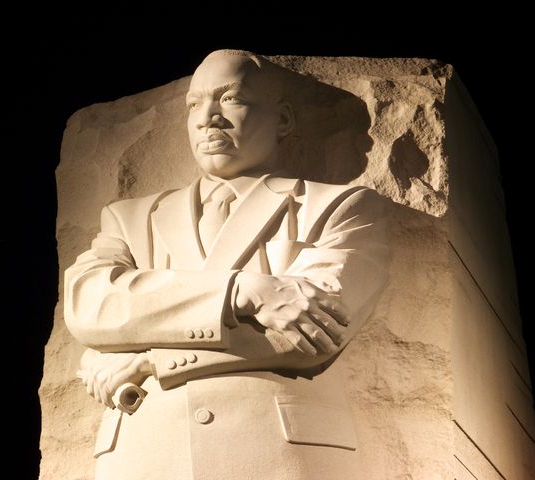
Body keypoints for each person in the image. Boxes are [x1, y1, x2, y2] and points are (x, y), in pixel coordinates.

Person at [64, 49, 390, 480]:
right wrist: (242, 291)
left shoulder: (340, 207)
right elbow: (91, 306)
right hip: (148, 453)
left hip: (277, 451)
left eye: (230, 98)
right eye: (194, 104)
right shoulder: (129, 218)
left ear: (284, 119)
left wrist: (149, 360)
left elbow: (311, 335)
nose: (207, 117)